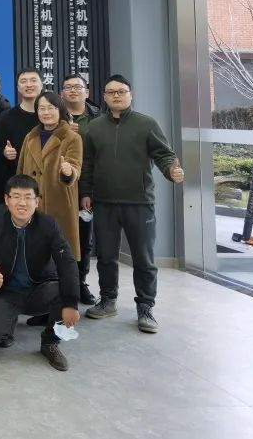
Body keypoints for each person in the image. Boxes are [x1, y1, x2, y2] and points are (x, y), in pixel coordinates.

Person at [81, 75, 184, 333]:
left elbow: (164, 154)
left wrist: (171, 171)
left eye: (121, 91)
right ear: (104, 96)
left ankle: (146, 307)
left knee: (143, 259)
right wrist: (86, 192)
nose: (116, 95)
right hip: (104, 203)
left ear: (130, 94)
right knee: (105, 257)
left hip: (139, 203)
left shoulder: (146, 124)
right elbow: (87, 163)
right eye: (111, 92)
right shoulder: (95, 127)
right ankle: (107, 300)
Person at [0, 174, 80, 372]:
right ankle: (7, 326)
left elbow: (67, 263)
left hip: (40, 290)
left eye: (28, 197)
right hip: (7, 293)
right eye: (16, 196)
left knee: (63, 290)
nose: (22, 203)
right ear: (7, 199)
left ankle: (50, 342)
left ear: (37, 201)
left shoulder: (48, 225)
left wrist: (71, 303)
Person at [16, 91, 83, 325]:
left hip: (59, 205)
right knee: (39, 260)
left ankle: (61, 312)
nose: (46, 112)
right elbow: (20, 172)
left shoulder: (71, 137)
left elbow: (75, 168)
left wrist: (68, 171)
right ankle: (44, 310)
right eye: (41, 108)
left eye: (51, 108)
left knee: (61, 261)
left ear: (60, 110)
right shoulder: (31, 137)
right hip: (32, 208)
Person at [61, 73, 101, 305]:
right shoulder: (54, 115)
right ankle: (58, 283)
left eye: (78, 87)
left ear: (87, 92)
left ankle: (80, 282)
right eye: (68, 87)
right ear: (62, 93)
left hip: (86, 187)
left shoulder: (98, 119)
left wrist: (89, 191)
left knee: (84, 239)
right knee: (59, 237)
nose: (73, 91)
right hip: (59, 186)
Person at [0, 69, 43, 197]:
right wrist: (4, 152)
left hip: (48, 181)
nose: (28, 85)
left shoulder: (51, 115)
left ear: (41, 85)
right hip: (18, 182)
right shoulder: (6, 117)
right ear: (18, 88)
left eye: (33, 80)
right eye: (23, 81)